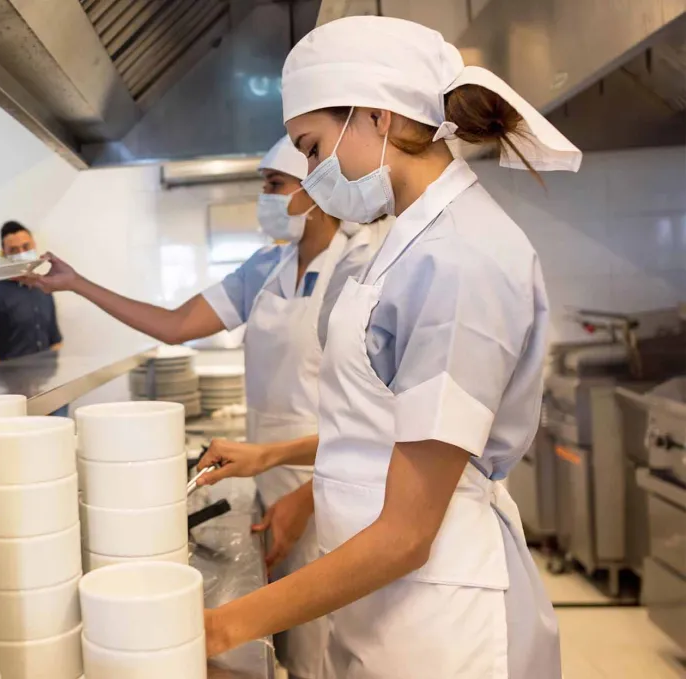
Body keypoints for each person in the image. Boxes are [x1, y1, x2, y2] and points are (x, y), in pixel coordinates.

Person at [194, 17, 582, 678]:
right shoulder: (412, 238)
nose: (311, 176)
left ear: (375, 115)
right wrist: (276, 454)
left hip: (446, 627)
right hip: (388, 608)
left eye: (312, 148)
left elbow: (406, 532)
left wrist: (219, 624)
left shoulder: (461, 255)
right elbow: (394, 426)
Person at [26, 139, 387, 679]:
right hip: (268, 471)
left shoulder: (360, 265)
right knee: (287, 640)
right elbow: (173, 325)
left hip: (333, 479)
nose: (263, 197)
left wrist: (308, 495)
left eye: (273, 185)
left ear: (315, 188)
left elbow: (378, 418)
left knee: (327, 643)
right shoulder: (267, 265)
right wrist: (76, 284)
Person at [0, 222, 61, 365]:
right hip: (13, 383)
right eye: (13, 250)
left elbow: (56, 341)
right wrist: (7, 383)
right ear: (4, 254)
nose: (21, 253)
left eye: (26, 247)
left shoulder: (44, 290)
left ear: (34, 245)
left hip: (46, 382)